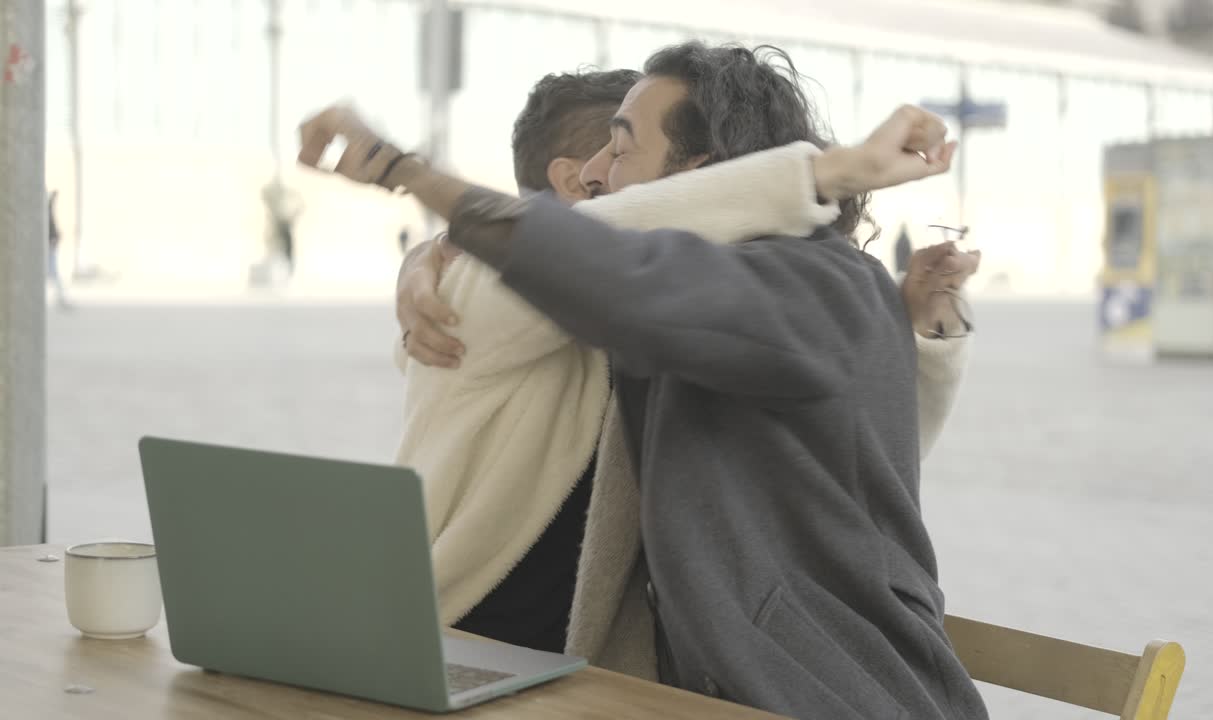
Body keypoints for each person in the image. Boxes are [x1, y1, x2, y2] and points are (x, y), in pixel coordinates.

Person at [298, 41, 986, 719]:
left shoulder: (804, 283)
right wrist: (436, 246)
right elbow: (603, 256)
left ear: (705, 174)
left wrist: (409, 174)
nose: (596, 174)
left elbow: (624, 270)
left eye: (621, 149)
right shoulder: (676, 298)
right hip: (618, 680)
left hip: (838, 695)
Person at [390, 69, 945, 656]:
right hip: (448, 638)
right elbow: (605, 236)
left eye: (622, 148)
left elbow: (865, 450)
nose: (598, 169)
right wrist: (822, 174)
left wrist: (916, 335)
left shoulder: (695, 312)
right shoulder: (488, 287)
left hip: (595, 667)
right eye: (604, 148)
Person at [47, 190, 71, 309]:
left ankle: (61, 297)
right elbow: (50, 226)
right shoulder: (47, 209)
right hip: (50, 244)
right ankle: (60, 297)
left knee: (53, 273)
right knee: (53, 272)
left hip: (51, 243)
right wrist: (53, 237)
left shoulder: (48, 209)